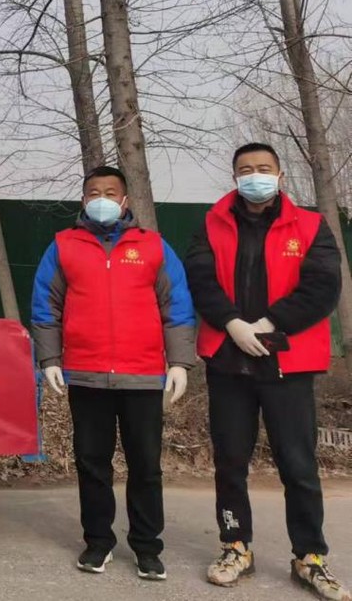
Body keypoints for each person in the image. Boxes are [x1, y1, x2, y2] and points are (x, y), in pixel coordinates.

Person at [185, 142, 348, 600]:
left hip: (288, 363)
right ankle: (236, 545)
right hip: (228, 360)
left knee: (298, 464)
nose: (254, 175)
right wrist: (233, 323)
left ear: (279, 175)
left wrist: (270, 322)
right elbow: (200, 279)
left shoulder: (312, 226)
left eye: (263, 168)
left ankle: (310, 556)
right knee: (231, 461)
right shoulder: (211, 224)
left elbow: (323, 286)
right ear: (233, 175)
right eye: (244, 169)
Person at [30, 165, 195, 581]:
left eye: (109, 191)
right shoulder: (64, 246)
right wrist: (50, 360)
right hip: (85, 374)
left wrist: (179, 362)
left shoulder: (153, 246)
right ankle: (98, 542)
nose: (101, 198)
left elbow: (176, 306)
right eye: (92, 192)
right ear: (83, 200)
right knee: (92, 463)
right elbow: (45, 307)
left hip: (142, 375)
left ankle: (147, 546)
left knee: (146, 465)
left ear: (125, 201)